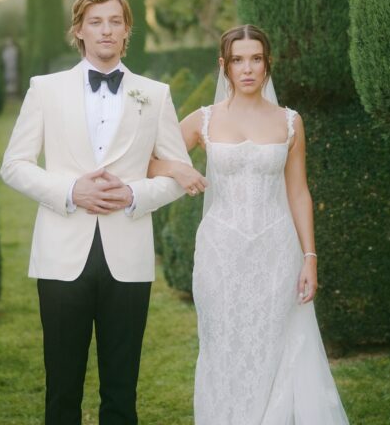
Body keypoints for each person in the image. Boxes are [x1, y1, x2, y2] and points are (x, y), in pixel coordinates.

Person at [0, 0, 191, 425]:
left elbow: (178, 173)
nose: (106, 31)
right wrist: (70, 192)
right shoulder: (45, 89)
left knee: (122, 392)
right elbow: (14, 165)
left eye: (115, 22)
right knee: (61, 391)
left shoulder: (154, 94)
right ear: (79, 31)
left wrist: (133, 194)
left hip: (128, 255)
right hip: (61, 256)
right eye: (96, 22)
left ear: (127, 31)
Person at [149, 24, 350, 424]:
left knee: (272, 345)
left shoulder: (290, 122)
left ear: (267, 63)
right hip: (220, 252)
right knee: (222, 347)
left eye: (255, 59)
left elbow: (298, 192)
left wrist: (309, 257)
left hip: (276, 251)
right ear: (224, 66)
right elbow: (149, 160)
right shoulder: (203, 120)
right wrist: (179, 169)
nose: (247, 69)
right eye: (238, 60)